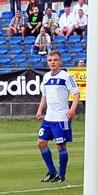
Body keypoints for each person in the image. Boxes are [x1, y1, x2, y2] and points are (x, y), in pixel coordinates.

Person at [36, 51, 80, 183]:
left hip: (61, 118)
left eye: (55, 60)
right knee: (41, 143)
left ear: (60, 62)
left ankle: (61, 175)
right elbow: (44, 95)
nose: (52, 62)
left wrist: (72, 109)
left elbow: (76, 93)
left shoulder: (66, 77)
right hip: (49, 118)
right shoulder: (46, 77)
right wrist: (39, 110)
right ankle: (52, 171)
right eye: (50, 60)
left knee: (61, 146)